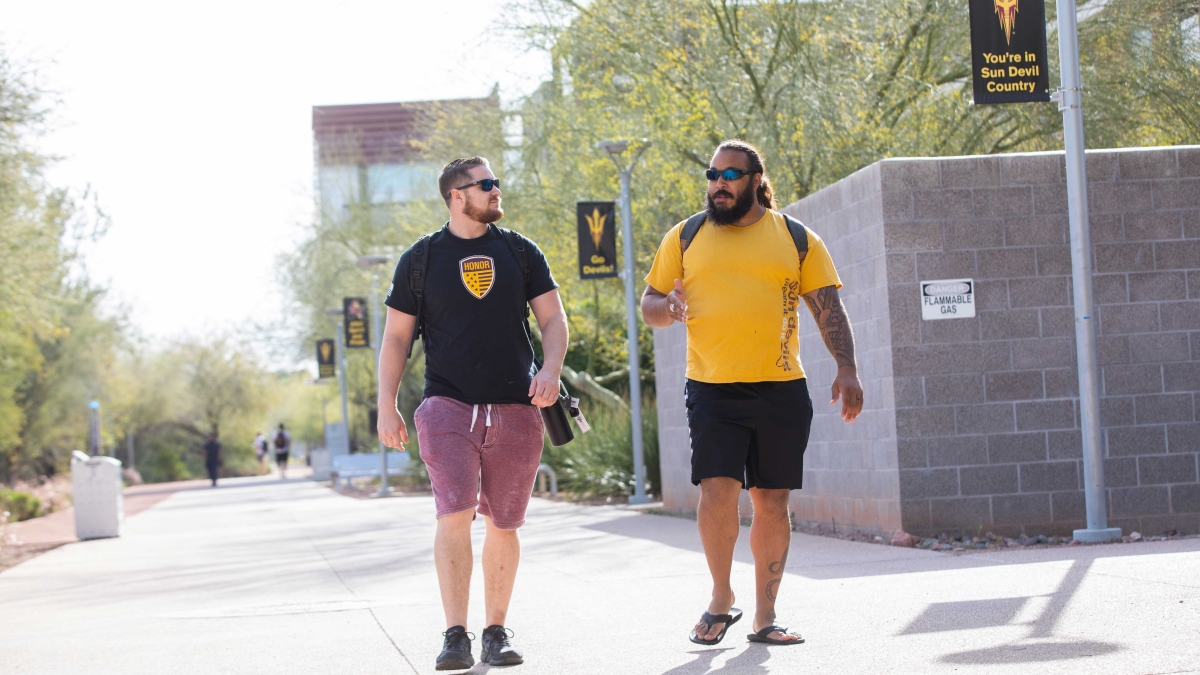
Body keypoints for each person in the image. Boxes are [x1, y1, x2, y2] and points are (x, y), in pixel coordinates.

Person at [641, 140, 864, 647]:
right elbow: (651, 302)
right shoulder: (686, 235)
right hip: (712, 386)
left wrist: (846, 369)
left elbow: (826, 306)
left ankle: (766, 616)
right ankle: (722, 598)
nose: (717, 183)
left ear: (755, 179)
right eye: (711, 174)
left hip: (781, 387)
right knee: (717, 491)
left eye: (730, 174)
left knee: (772, 498)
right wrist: (667, 308)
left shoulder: (795, 237)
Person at [377, 156, 567, 671]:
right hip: (446, 405)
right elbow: (396, 336)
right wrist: (386, 405)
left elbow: (553, 320)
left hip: (517, 407)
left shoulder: (519, 251)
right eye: (486, 184)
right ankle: (455, 634)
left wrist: (550, 370)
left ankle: (495, 631)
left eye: (496, 182)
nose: (496, 190)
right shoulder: (421, 259)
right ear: (457, 195)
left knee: (504, 523)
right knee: (454, 511)